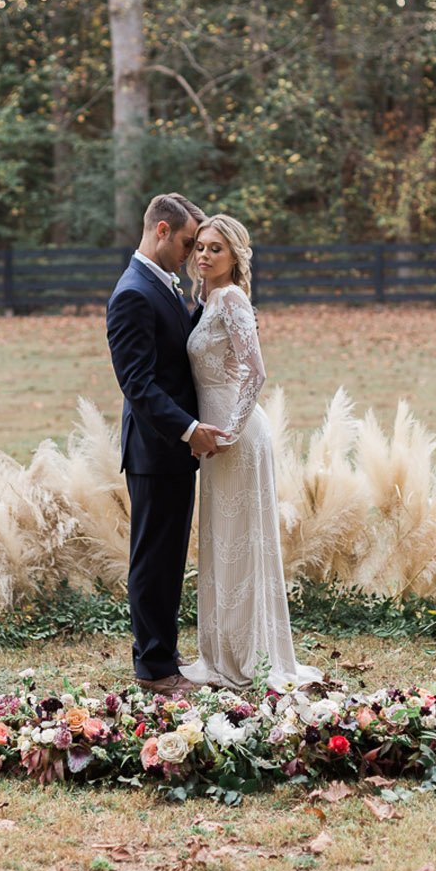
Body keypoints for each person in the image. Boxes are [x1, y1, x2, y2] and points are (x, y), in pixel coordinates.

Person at [180, 214, 322, 692]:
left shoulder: (233, 300)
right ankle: (221, 652)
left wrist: (229, 433)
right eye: (199, 247)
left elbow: (255, 373)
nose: (204, 255)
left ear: (234, 255)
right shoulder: (207, 300)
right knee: (222, 543)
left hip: (235, 439)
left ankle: (251, 656)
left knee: (242, 542)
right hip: (214, 438)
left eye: (215, 249)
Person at [106, 193, 227, 696]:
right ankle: (154, 669)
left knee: (169, 557)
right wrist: (188, 429)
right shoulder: (133, 293)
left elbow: (178, 352)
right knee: (154, 560)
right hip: (157, 450)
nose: (189, 252)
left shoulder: (164, 285)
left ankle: (164, 652)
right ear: (160, 230)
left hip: (173, 452)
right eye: (184, 242)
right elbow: (138, 384)